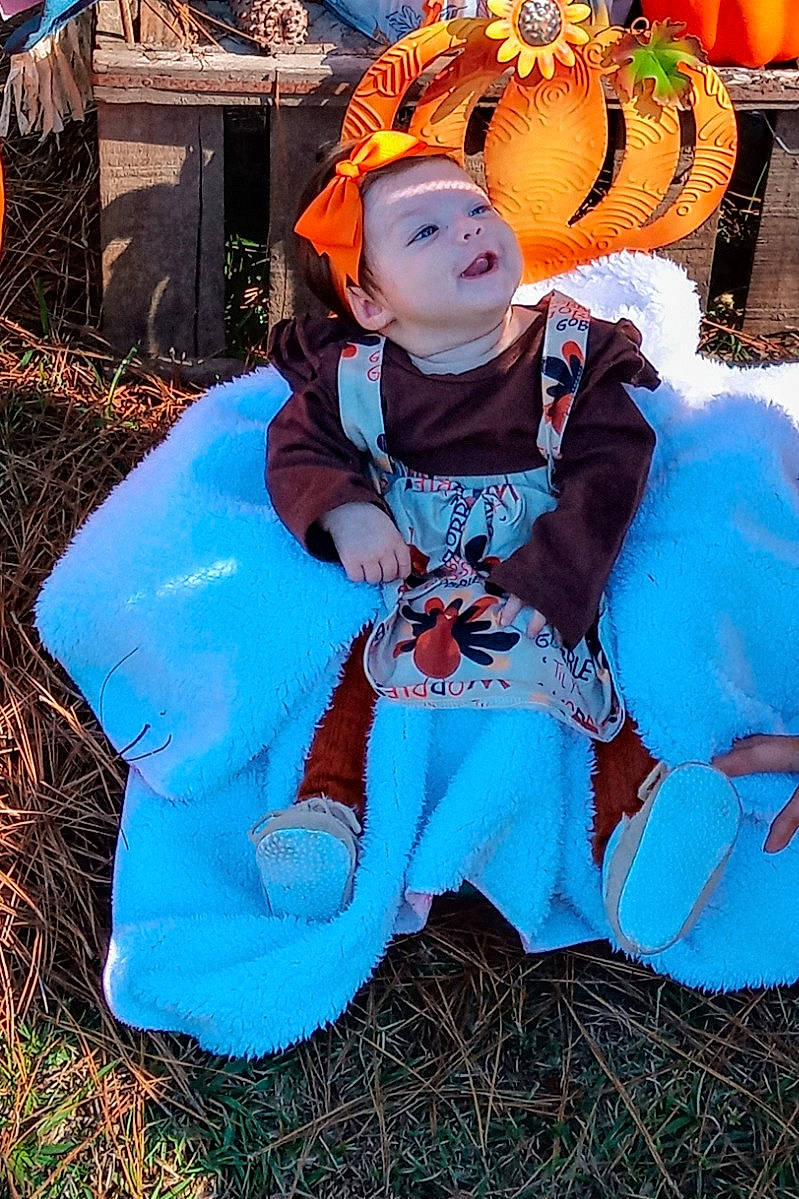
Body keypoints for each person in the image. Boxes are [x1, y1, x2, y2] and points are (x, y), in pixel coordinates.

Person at [250, 133, 745, 951]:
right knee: (356, 675)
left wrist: (558, 573)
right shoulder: (353, 375)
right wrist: (345, 510)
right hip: (414, 580)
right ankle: (325, 817)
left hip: (543, 569)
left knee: (602, 686)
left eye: (475, 209)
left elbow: (611, 465)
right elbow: (297, 449)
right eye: (425, 233)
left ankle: (634, 833)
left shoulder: (569, 358)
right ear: (372, 305)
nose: (470, 231)